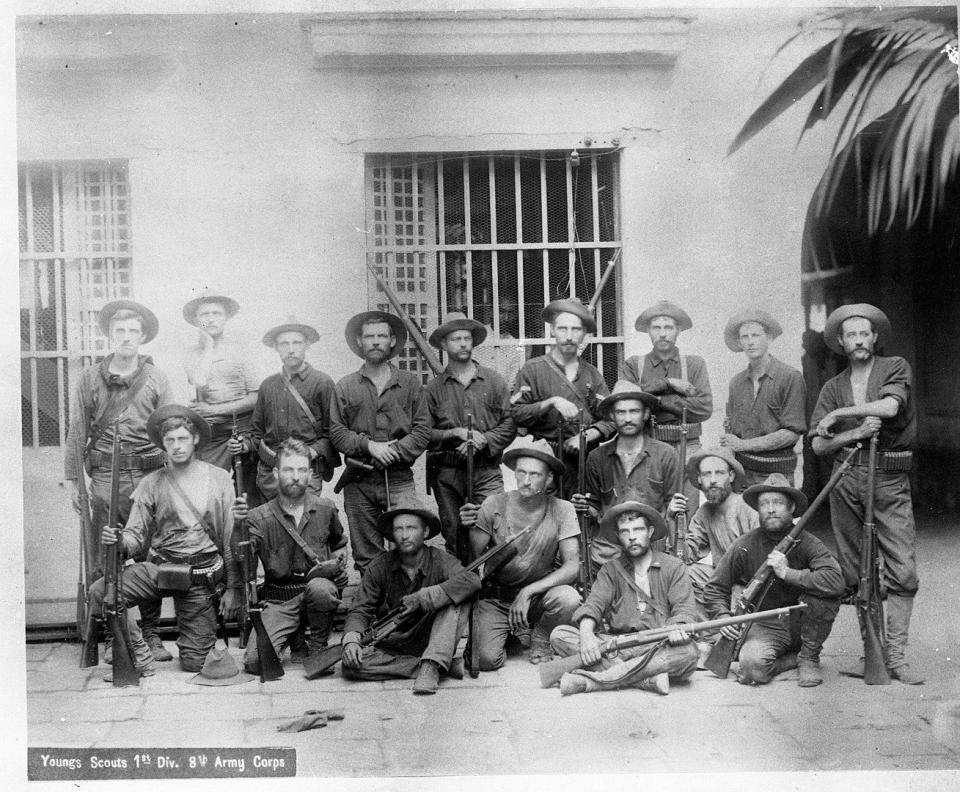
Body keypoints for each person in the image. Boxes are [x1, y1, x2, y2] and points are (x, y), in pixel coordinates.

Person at [810, 303, 922, 685]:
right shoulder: (832, 387)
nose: (858, 340)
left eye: (864, 333)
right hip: (847, 479)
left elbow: (891, 407)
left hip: (889, 479)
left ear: (875, 338)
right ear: (840, 343)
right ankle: (870, 651)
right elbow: (819, 446)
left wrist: (840, 416)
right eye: (851, 335)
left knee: (902, 568)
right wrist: (854, 433)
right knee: (857, 570)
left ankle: (895, 657)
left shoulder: (895, 367)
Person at [88, 405, 240, 673]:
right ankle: (139, 651)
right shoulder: (151, 483)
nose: (177, 446)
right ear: (163, 444)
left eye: (182, 439)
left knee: (196, 664)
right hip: (161, 568)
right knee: (101, 592)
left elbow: (229, 539)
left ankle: (192, 637)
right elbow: (135, 535)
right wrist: (119, 541)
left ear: (194, 440)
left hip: (200, 574)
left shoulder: (218, 479)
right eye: (170, 441)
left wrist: (233, 587)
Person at [64, 299, 174, 662]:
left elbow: (172, 429)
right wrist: (73, 481)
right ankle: (115, 632)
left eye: (132, 331)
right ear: (110, 335)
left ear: (143, 336)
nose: (126, 337)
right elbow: (77, 431)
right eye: (119, 331)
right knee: (107, 556)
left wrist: (172, 479)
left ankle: (152, 633)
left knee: (148, 554)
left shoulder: (157, 378)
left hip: (148, 474)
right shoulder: (90, 378)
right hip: (104, 477)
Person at [704, 474, 843, 687]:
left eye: (778, 503)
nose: (770, 509)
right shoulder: (745, 544)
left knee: (825, 593)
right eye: (764, 504)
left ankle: (808, 657)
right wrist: (724, 619)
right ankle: (790, 661)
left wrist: (787, 573)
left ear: (791, 508)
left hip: (802, 624)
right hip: (765, 625)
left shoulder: (808, 542)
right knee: (752, 669)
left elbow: (835, 581)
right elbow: (715, 587)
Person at [548, 501, 698, 696]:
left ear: (650, 532)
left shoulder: (674, 567)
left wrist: (678, 627)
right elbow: (594, 604)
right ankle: (646, 679)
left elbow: (684, 610)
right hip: (617, 646)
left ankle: (597, 681)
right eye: (625, 532)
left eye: (638, 529)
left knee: (688, 653)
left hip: (659, 646)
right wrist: (586, 635)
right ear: (619, 536)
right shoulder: (610, 570)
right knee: (560, 635)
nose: (632, 537)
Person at [459, 439, 581, 667]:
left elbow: (572, 566)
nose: (526, 481)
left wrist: (528, 592)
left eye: (535, 475)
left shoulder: (563, 509)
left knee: (569, 598)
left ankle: (542, 636)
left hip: (538, 598)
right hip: (497, 598)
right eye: (521, 472)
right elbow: (474, 561)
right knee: (485, 660)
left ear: (549, 479)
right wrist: (466, 529)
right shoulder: (493, 504)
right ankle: (511, 636)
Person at [231, 438, 349, 674]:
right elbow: (242, 556)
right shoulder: (257, 516)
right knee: (256, 663)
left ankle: (317, 647)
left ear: (310, 473)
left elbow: (339, 544)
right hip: (279, 601)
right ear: (276, 473)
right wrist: (237, 525)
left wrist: (338, 566)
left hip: (315, 594)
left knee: (321, 589)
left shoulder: (325, 508)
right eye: (288, 470)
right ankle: (294, 640)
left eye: (302, 470)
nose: (295, 476)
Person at [340, 500, 480, 694]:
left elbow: (472, 581)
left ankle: (433, 664)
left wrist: (424, 597)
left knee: (458, 597)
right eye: (399, 529)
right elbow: (360, 608)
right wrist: (352, 639)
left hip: (433, 637)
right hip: (393, 643)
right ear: (392, 535)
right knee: (349, 666)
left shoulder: (440, 560)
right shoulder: (379, 566)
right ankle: (436, 666)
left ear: (425, 532)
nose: (405, 535)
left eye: (411, 528)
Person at [330, 311, 432, 572]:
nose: (375, 342)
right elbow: (336, 431)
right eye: (369, 336)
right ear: (360, 342)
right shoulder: (345, 386)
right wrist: (369, 446)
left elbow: (422, 430)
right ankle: (375, 608)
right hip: (359, 480)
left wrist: (395, 451)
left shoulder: (410, 384)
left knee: (409, 542)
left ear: (392, 341)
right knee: (367, 554)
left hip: (398, 478)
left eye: (381, 336)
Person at [424, 312, 516, 559]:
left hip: (486, 470)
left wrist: (484, 439)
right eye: (455, 338)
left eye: (467, 338)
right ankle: (461, 590)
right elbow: (423, 433)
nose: (463, 343)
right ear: (443, 344)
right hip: (448, 473)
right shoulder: (432, 390)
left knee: (496, 528)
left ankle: (494, 590)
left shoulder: (494, 381)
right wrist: (453, 434)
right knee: (455, 535)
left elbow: (509, 423)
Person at [571, 380, 684, 573]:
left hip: (652, 545)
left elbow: (672, 506)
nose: (628, 418)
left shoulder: (666, 454)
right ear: (612, 416)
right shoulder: (597, 458)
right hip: (608, 552)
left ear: (646, 414)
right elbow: (595, 507)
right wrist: (582, 506)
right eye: (621, 412)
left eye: (634, 411)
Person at [511, 297, 615, 499]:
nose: (569, 336)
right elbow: (515, 413)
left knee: (581, 517)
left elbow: (611, 418)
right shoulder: (533, 369)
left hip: (582, 462)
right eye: (562, 329)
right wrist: (550, 402)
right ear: (552, 330)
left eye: (576, 329)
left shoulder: (592, 375)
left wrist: (587, 436)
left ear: (584, 333)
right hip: (543, 458)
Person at [620, 300, 712, 510]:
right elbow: (625, 397)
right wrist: (667, 383)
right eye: (657, 328)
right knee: (649, 509)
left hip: (687, 447)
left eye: (668, 327)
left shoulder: (694, 364)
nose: (663, 334)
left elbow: (704, 407)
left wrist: (659, 401)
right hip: (648, 445)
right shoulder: (634, 364)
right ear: (648, 332)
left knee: (686, 511)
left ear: (678, 330)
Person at [241, 317, 339, 503]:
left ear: (307, 345)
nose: (291, 349)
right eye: (284, 344)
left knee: (302, 526)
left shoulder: (322, 383)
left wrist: (311, 452)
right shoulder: (268, 385)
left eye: (297, 343)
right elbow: (256, 432)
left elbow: (333, 432)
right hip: (271, 474)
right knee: (271, 527)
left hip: (303, 473)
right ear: (276, 348)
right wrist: (244, 445)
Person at [181, 288, 260, 500]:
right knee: (210, 493)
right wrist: (207, 348)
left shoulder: (241, 350)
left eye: (217, 313)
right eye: (204, 315)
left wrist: (213, 409)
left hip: (244, 430)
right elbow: (199, 380)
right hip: (212, 435)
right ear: (196, 320)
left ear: (226, 318)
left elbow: (255, 397)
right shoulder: (190, 353)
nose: (211, 319)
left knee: (248, 495)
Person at [719, 309, 806, 488]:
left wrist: (743, 445)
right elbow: (732, 433)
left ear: (769, 338)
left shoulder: (790, 377)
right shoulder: (736, 383)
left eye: (756, 335)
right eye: (745, 337)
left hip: (776, 476)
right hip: (742, 475)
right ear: (739, 342)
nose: (750, 342)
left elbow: (791, 434)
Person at [683, 447, 759, 617]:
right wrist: (675, 520)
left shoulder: (747, 508)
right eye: (706, 474)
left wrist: (739, 587)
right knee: (686, 574)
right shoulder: (704, 512)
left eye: (719, 473)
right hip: (723, 582)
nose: (712, 480)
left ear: (731, 476)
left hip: (753, 584)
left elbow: (763, 557)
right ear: (699, 479)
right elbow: (686, 556)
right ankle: (710, 633)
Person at [472, 296, 528, 392]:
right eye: (501, 312)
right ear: (491, 312)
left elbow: (511, 383)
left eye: (510, 313)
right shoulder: (477, 335)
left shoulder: (515, 345)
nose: (506, 318)